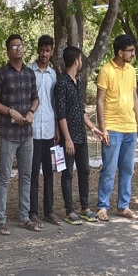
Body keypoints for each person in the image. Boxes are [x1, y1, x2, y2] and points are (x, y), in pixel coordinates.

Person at [0, 34, 40, 235]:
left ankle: (24, 217)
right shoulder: (1, 74)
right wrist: (10, 111)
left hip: (26, 133)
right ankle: (0, 221)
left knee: (26, 176)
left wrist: (31, 112)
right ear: (8, 51)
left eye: (20, 45)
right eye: (14, 46)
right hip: (8, 133)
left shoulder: (29, 73)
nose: (18, 49)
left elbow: (35, 98)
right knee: (4, 177)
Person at [56, 46, 103, 225]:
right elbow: (61, 114)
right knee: (68, 173)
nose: (81, 62)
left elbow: (81, 111)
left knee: (84, 171)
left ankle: (85, 208)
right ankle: (69, 211)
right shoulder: (61, 84)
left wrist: (92, 128)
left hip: (81, 136)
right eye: (81, 59)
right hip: (68, 137)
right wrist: (67, 138)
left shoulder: (79, 83)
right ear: (76, 61)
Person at [96, 34, 138, 221]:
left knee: (128, 169)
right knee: (109, 169)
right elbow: (99, 101)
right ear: (120, 52)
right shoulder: (106, 71)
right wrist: (103, 127)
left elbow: (134, 98)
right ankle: (102, 207)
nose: (133, 54)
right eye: (130, 51)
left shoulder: (131, 70)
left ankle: (123, 206)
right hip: (112, 128)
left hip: (130, 127)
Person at [28, 35, 61, 227]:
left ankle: (48, 211)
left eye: (47, 50)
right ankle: (32, 212)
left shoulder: (53, 75)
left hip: (49, 129)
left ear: (52, 51)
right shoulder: (29, 72)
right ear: (37, 50)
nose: (44, 54)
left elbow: (54, 103)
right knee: (33, 173)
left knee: (49, 172)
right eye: (41, 50)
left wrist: (56, 128)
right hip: (32, 131)